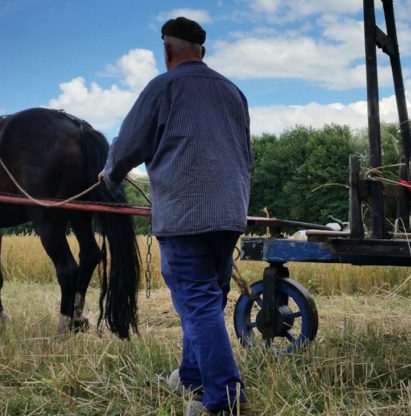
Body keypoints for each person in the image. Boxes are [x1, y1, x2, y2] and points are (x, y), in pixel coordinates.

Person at [98, 16, 252, 415]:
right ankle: (191, 377)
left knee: (198, 303)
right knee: (207, 301)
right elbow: (245, 155)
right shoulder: (233, 92)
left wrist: (110, 172)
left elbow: (130, 143)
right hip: (230, 213)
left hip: (185, 215)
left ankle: (223, 400)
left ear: (167, 50)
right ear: (202, 50)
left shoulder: (162, 87)